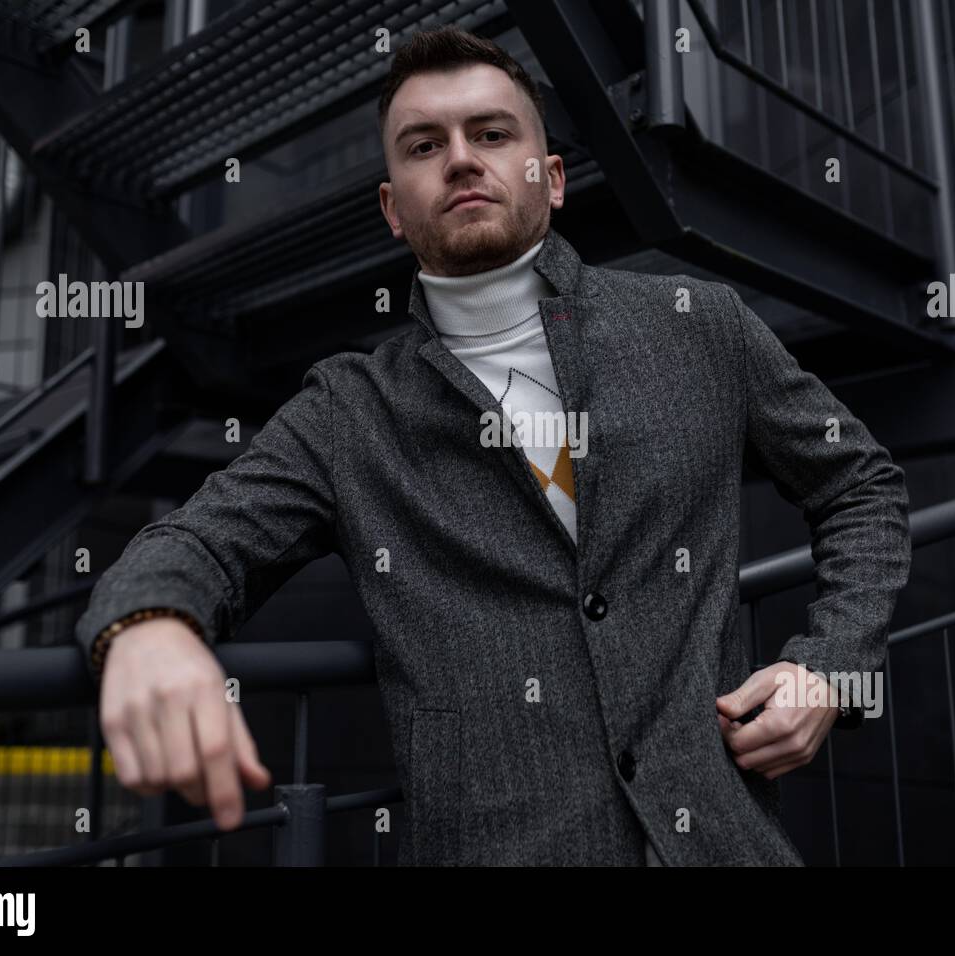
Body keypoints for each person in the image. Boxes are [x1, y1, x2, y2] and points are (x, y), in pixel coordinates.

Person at [75, 25, 912, 866]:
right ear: (393, 208)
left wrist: (832, 669)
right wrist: (150, 624)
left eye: (492, 133)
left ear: (549, 181)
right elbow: (198, 543)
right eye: (424, 144)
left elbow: (861, 487)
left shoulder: (699, 327)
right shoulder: (347, 412)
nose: (462, 158)